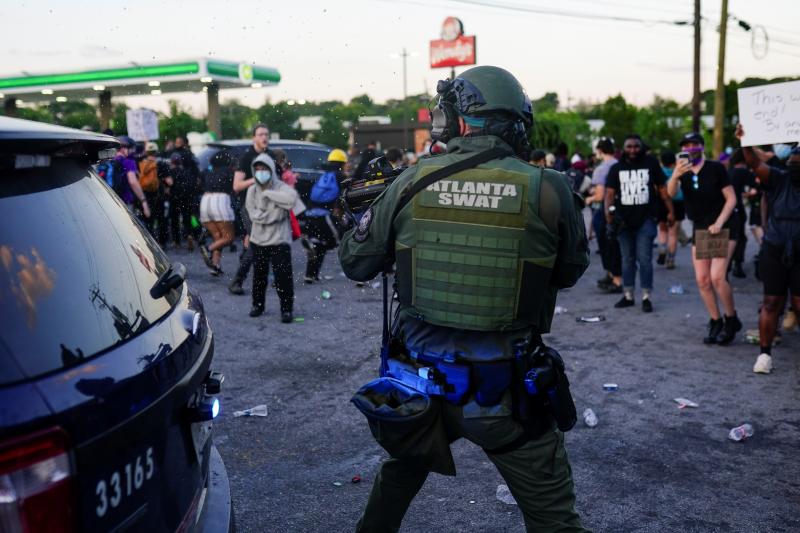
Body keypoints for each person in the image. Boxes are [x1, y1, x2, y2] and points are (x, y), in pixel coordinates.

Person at [340, 66, 589, 533]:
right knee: (556, 522)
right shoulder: (549, 188)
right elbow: (571, 272)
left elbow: (355, 264)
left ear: (454, 121)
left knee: (397, 479)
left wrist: (373, 215)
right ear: (517, 124)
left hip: (417, 390)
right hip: (506, 393)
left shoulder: (410, 181)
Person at [736, 125, 800, 373]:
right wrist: (745, 140)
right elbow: (752, 161)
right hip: (775, 248)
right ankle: (764, 355)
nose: (796, 165)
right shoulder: (777, 178)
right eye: (793, 161)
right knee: (771, 303)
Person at [667, 132, 740, 344]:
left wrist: (719, 222)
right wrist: (675, 175)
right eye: (686, 145)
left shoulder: (716, 168)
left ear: (702, 145)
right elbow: (671, 194)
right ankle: (715, 320)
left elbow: (731, 198)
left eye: (694, 144)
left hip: (724, 226)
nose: (691, 148)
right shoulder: (683, 171)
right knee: (702, 279)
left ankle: (731, 318)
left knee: (717, 276)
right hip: (700, 228)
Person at [605, 134, 674, 312]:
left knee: (644, 259)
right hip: (623, 222)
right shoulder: (616, 168)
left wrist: (670, 211)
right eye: (629, 146)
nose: (633, 150)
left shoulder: (651, 163)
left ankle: (646, 296)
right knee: (627, 260)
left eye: (636, 146)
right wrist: (608, 216)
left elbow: (662, 189)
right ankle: (628, 295)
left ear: (641, 147)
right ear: (623, 148)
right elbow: (609, 194)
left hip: (646, 220)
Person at [245, 153, 303, 323]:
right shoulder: (251, 190)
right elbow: (253, 214)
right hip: (258, 239)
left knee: (283, 276)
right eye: (257, 170)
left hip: (279, 239)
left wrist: (269, 194)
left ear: (271, 169)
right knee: (259, 275)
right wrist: (274, 213)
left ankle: (286, 309)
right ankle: (258, 305)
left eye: (264, 169)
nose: (260, 172)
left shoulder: (281, 187)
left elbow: (291, 200)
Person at [230, 123, 273, 295]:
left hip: (266, 206)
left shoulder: (270, 157)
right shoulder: (246, 158)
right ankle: (236, 281)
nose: (264, 137)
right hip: (249, 207)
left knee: (259, 243)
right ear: (254, 138)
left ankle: (248, 268)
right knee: (257, 243)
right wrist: (256, 179)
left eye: (266, 134)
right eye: (261, 134)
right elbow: (237, 186)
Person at [302, 149, 346, 283]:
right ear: (342, 163)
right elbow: (344, 197)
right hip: (325, 216)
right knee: (339, 239)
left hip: (310, 214)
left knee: (318, 244)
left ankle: (311, 275)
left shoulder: (323, 175)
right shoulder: (340, 176)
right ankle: (360, 275)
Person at [585, 137, 622, 292]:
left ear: (600, 151)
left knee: (607, 245)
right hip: (619, 208)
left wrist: (589, 198)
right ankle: (611, 275)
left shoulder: (601, 169)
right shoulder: (619, 164)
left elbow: (600, 196)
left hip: (604, 210)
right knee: (615, 244)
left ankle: (616, 279)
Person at [198, 150, 236, 276]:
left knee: (218, 237)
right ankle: (208, 249)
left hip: (205, 200)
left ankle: (215, 266)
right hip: (220, 201)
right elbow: (234, 189)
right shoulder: (229, 172)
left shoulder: (208, 172)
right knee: (228, 237)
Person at [728, 149, 757, 278]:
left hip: (724, 209)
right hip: (737, 209)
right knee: (739, 237)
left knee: (728, 237)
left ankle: (725, 267)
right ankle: (737, 265)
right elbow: (756, 188)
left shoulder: (728, 172)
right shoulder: (744, 172)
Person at [139, 141, 172, 246]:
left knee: (149, 219)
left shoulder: (141, 163)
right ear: (156, 151)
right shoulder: (161, 163)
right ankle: (162, 243)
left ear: (146, 152)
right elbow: (169, 181)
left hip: (146, 195)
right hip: (159, 195)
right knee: (162, 219)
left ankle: (150, 242)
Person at [655, 151, 684, 270]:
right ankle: (671, 260)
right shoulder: (678, 172)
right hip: (678, 202)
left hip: (661, 202)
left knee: (662, 228)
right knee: (673, 233)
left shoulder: (659, 172)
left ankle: (662, 249)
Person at [112, 136, 151, 220]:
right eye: (132, 148)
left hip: (111, 199)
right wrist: (143, 201)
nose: (133, 151)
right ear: (124, 148)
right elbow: (133, 182)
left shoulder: (111, 160)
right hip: (125, 200)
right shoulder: (128, 162)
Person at [167, 152, 196, 251]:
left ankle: (176, 241)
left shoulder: (170, 172)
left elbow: (169, 184)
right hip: (186, 198)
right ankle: (189, 234)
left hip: (174, 198)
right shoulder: (186, 171)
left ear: (171, 161)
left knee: (174, 220)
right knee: (187, 218)